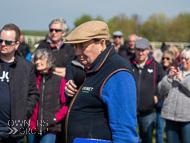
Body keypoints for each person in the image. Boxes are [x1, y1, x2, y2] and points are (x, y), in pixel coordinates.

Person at [64, 21, 139, 143]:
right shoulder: (93, 66)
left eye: (82, 46)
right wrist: (71, 92)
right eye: (75, 46)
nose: (77, 52)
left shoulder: (118, 72)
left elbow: (125, 133)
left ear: (101, 43)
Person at [0, 24, 38, 142]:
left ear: (17, 44)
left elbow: (33, 94)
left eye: (8, 42)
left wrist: (23, 113)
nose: (2, 44)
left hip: (15, 131)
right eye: (0, 40)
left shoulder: (26, 67)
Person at [27, 49, 68, 143]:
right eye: (36, 59)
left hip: (50, 127)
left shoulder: (59, 81)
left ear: (49, 60)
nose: (38, 62)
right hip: (31, 128)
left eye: (41, 59)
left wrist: (55, 118)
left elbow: (66, 103)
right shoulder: (31, 79)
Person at [128, 38, 165, 143]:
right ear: (134, 50)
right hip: (130, 111)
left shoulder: (156, 66)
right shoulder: (127, 65)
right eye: (138, 50)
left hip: (148, 111)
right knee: (129, 138)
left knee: (147, 139)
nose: (141, 53)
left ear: (148, 50)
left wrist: (157, 97)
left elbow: (163, 84)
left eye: (143, 50)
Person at [158, 48, 190, 143]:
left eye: (186, 58)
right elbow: (161, 90)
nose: (183, 61)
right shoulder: (175, 70)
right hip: (171, 116)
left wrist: (182, 79)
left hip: (187, 118)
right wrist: (169, 78)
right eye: (182, 58)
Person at [155, 50, 175, 143]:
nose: (164, 60)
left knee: (172, 131)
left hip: (172, 105)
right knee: (160, 129)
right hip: (161, 105)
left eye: (167, 58)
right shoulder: (159, 69)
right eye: (163, 58)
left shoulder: (175, 71)